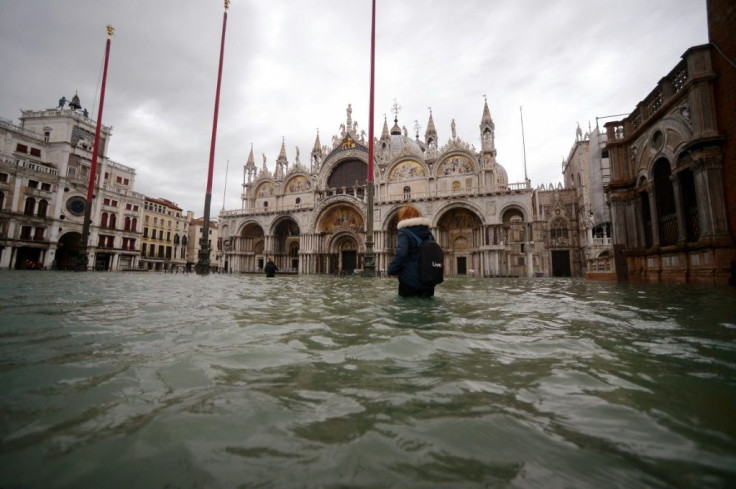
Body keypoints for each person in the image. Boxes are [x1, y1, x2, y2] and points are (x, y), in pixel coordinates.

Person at [387, 205, 436, 298]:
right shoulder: (428, 233)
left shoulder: (404, 231)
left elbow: (401, 253)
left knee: (406, 309)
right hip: (428, 282)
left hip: (410, 281)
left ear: (403, 216)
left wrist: (391, 269)